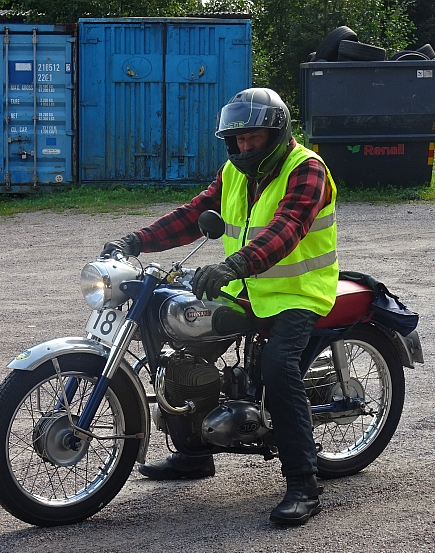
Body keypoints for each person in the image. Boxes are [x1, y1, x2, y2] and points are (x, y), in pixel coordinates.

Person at [102, 87, 338, 526]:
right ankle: (194, 453)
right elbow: (194, 214)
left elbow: (288, 227)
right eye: (237, 139)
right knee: (183, 351)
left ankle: (304, 484)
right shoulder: (233, 170)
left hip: (297, 292)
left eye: (253, 138)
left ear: (276, 134)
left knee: (278, 368)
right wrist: (136, 240)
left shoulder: (307, 168)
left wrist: (235, 264)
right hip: (243, 287)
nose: (244, 147)